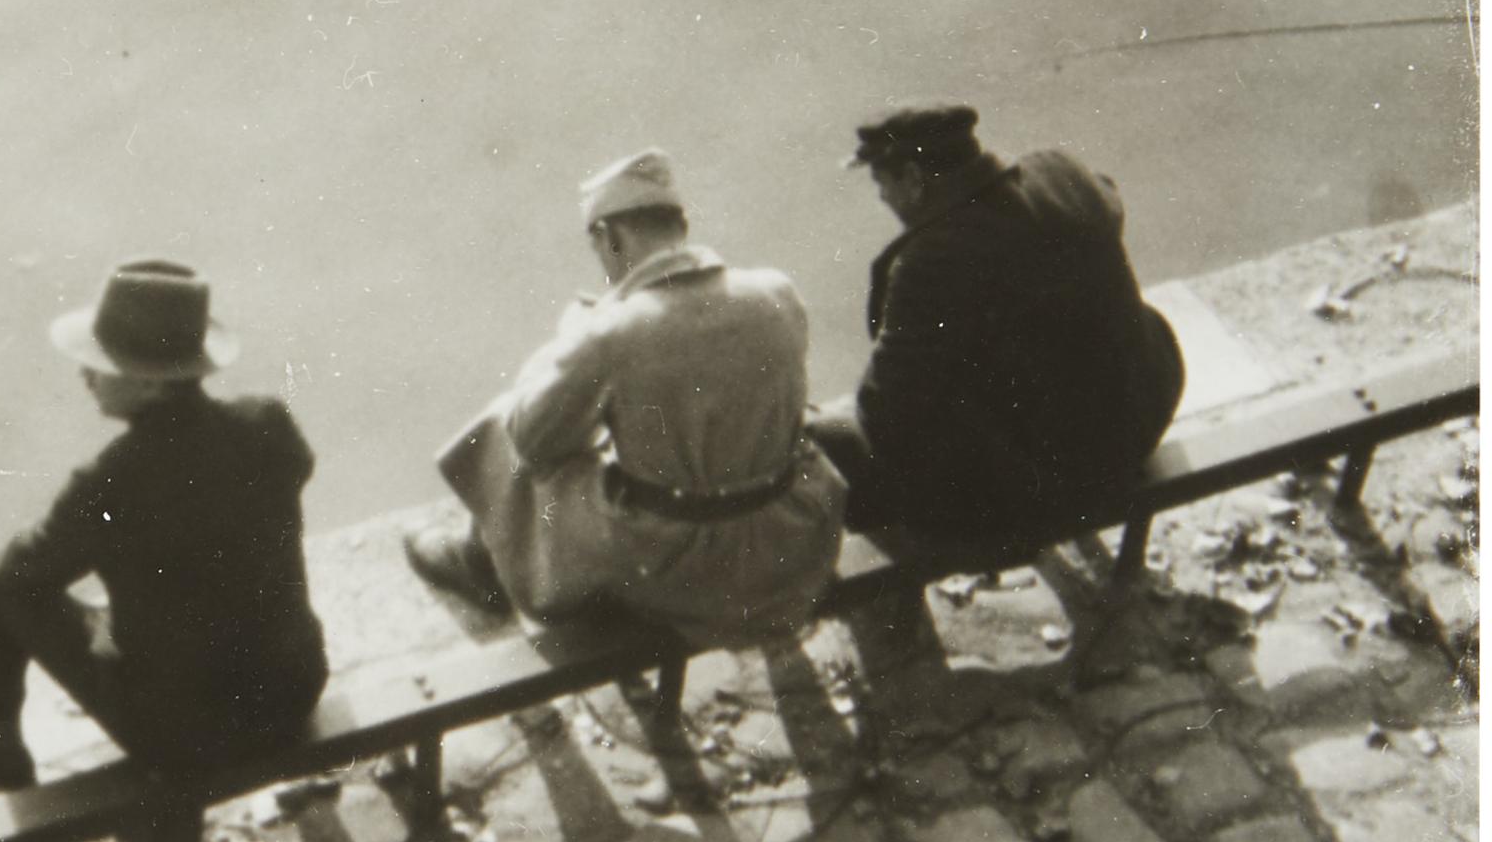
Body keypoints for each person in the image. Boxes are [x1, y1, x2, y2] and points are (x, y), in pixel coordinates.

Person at [0, 258, 328, 842]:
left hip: (187, 734)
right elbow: (289, 476)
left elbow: (23, 575)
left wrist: (119, 613)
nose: (85, 375)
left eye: (103, 364)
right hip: (292, 688)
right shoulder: (266, 422)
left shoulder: (111, 481)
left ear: (155, 384)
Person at [407, 150, 845, 646]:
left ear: (608, 237)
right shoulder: (774, 291)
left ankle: (480, 565)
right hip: (792, 543)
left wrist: (574, 340)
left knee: (504, 426)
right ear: (679, 224)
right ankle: (480, 558)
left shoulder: (609, 332)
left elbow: (533, 443)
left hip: (694, 573)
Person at [806, 105, 1185, 556]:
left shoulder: (929, 263)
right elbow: (1107, 200)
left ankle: (900, 600)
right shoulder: (1062, 173)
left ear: (912, 179)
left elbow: (886, 408)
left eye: (881, 183)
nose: (882, 198)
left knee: (827, 440)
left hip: (1058, 476)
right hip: (1140, 414)